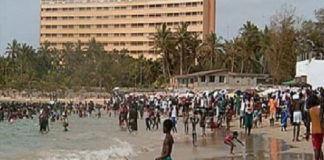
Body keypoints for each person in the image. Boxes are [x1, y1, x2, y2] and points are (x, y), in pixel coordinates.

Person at [306, 92, 323, 160]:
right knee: (319, 147)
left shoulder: (310, 110)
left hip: (314, 131)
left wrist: (307, 133)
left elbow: (308, 123)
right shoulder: (319, 110)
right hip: (321, 130)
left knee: (316, 149)